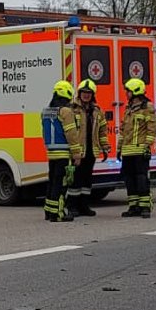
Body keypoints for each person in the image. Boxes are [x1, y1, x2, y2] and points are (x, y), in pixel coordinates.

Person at [66, 79, 109, 216]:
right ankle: (72, 207)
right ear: (79, 93)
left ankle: (84, 206)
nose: (86, 95)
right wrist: (73, 151)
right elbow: (69, 132)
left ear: (93, 95)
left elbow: (102, 131)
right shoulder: (71, 109)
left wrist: (105, 146)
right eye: (84, 92)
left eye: (89, 93)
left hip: (91, 151)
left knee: (87, 180)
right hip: (77, 151)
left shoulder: (97, 111)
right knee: (75, 181)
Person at [119, 77, 156, 218]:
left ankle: (145, 207)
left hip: (140, 149)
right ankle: (133, 206)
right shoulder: (128, 109)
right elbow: (123, 131)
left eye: (128, 91)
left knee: (141, 179)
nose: (126, 93)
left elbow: (152, 128)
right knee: (129, 179)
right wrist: (119, 148)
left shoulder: (147, 108)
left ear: (135, 92)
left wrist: (147, 146)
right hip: (127, 151)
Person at [41, 80, 77, 222]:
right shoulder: (66, 111)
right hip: (64, 154)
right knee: (61, 184)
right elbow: (71, 134)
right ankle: (58, 214)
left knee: (52, 183)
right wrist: (77, 153)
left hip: (52, 154)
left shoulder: (45, 112)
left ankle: (49, 211)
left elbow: (44, 132)